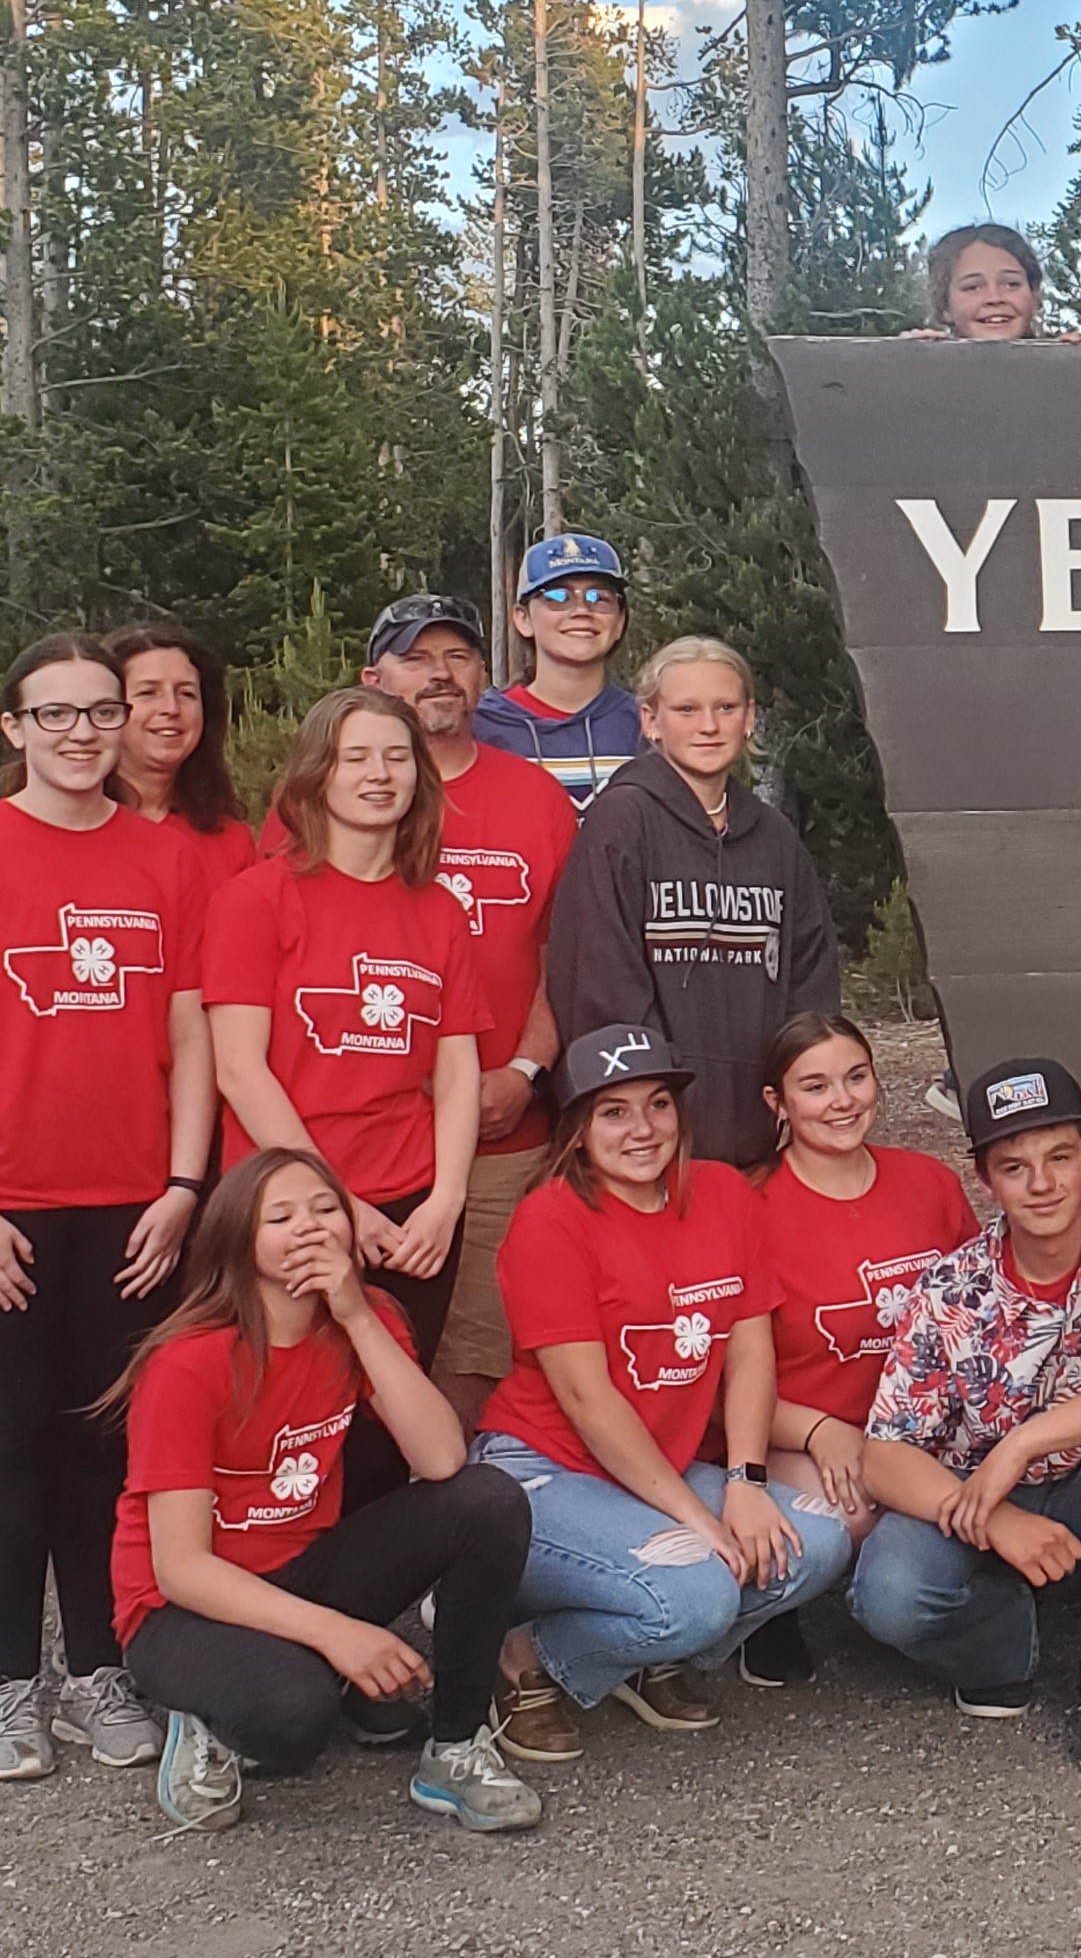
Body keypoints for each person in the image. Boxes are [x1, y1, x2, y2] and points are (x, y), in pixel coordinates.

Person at [0, 632, 219, 1784]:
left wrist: (183, 1187)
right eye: (56, 714)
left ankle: (95, 1670)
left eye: (100, 712)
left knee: (103, 1443)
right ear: (15, 728)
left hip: (131, 1213)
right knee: (13, 1440)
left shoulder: (168, 860)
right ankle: (4, 1687)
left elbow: (190, 1039)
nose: (82, 734)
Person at [107, 1149, 542, 1835]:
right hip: (182, 1608)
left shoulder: (366, 1317)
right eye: (279, 1217)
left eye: (324, 1208)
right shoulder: (188, 1362)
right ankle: (204, 1718)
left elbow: (440, 1459)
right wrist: (338, 1635)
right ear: (238, 1240)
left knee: (487, 1500)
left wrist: (357, 1318)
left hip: (300, 1567)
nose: (308, 1228)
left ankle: (455, 1748)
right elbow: (181, 1568)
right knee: (294, 1717)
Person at [470, 1027, 853, 1758]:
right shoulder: (550, 1219)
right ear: (578, 1129)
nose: (642, 1129)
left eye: (658, 1104)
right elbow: (587, 1401)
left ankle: (637, 1650)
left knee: (817, 1542)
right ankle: (520, 1656)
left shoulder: (722, 1192)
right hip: (544, 1471)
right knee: (699, 1593)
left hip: (658, 1467)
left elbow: (750, 1351)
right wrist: (697, 1519)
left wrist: (745, 1482)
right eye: (613, 1112)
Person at [850, 1058, 1081, 1771]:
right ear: (986, 1182)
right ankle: (1003, 1646)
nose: (1042, 1184)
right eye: (1015, 1167)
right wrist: (996, 1519)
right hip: (979, 1498)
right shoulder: (951, 1288)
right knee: (888, 1592)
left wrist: (1023, 1443)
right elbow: (883, 1454)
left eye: (1060, 1158)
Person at [203, 686, 481, 1367]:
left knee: (395, 1402)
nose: (379, 775)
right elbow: (239, 1069)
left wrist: (446, 1200)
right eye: (355, 758)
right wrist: (337, 1204)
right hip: (286, 1202)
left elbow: (456, 1068)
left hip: (413, 1207)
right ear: (317, 773)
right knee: (291, 1398)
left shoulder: (439, 909)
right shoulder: (255, 899)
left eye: (396, 757)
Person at [357, 593, 579, 1416]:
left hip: (502, 1134)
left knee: (479, 1350)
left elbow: (565, 955)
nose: (440, 674)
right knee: (351, 1345)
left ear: (485, 674)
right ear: (374, 679)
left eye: (457, 656)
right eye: (417, 658)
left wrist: (526, 1069)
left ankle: (451, 1491)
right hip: (365, 1137)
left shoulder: (536, 800)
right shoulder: (335, 798)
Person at [546, 636, 844, 1169]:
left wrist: (801, 1092)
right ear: (650, 720)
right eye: (686, 710)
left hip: (761, 1140)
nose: (708, 726)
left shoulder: (774, 837)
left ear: (748, 718)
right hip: (652, 1146)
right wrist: (651, 1114)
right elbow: (602, 988)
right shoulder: (621, 823)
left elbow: (810, 983)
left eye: (725, 708)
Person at [740, 1010, 975, 1684]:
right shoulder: (749, 1207)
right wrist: (817, 1431)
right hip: (803, 1429)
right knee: (850, 1511)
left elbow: (978, 1310)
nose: (842, 1101)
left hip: (922, 1426)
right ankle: (770, 1608)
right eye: (815, 1087)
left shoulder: (928, 1182)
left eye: (856, 1077)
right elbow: (724, 1376)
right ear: (777, 1102)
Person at [476, 530, 646, 810]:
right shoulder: (481, 724)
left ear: (619, 622)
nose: (581, 610)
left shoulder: (647, 724)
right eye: (558, 596)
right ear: (523, 618)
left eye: (599, 597)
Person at [106, 620, 259, 895]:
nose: (171, 708)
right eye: (148, 693)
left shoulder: (232, 843)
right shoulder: (70, 827)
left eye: (186, 693)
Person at [923, 221, 1050, 341]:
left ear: (1034, 297)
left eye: (1011, 284)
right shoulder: (923, 355)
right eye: (973, 287)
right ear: (945, 306)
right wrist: (914, 351)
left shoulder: (1059, 355)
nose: (994, 298)